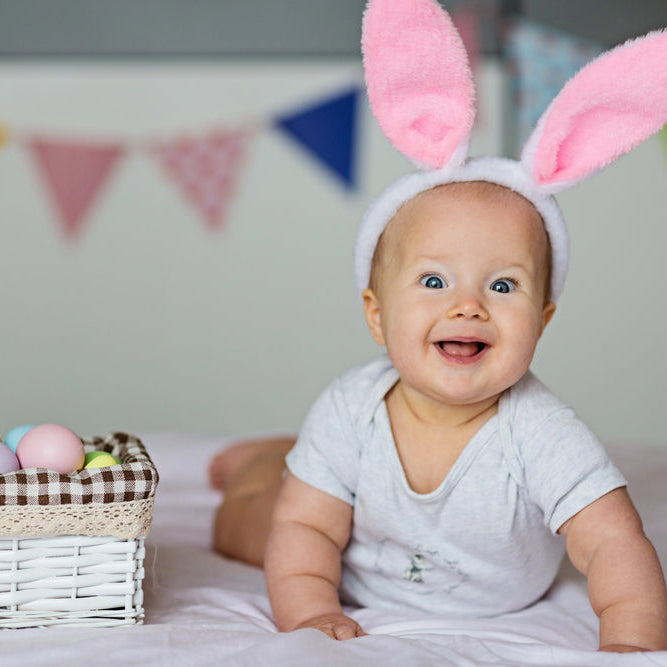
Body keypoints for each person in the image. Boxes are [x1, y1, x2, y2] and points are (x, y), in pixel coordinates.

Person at [211, 0, 667, 652]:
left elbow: (613, 541)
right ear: (376, 314)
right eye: (432, 281)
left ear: (541, 320)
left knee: (314, 486)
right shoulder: (350, 409)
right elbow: (308, 534)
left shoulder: (540, 432)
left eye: (502, 285)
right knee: (253, 522)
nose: (467, 306)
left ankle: (289, 455)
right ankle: (267, 462)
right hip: (355, 567)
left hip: (502, 590)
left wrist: (632, 639)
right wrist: (311, 609)